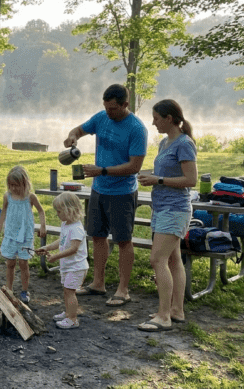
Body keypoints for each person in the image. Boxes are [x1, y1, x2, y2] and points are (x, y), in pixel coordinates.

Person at [64, 84, 147, 307]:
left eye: (113, 109)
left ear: (125, 105)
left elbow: (135, 166)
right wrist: (72, 137)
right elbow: (79, 130)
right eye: (106, 108)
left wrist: (102, 170)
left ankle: (123, 289)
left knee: (123, 240)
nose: (108, 112)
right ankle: (98, 283)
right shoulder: (101, 118)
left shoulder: (136, 128)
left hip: (122, 191)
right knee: (98, 236)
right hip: (99, 189)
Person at [136, 99, 198, 331]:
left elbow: (190, 180)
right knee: (173, 259)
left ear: (169, 118)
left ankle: (163, 317)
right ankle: (176, 310)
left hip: (175, 209)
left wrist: (158, 180)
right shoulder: (165, 143)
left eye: (156, 118)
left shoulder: (184, 143)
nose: (153, 123)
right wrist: (152, 177)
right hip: (162, 207)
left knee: (157, 259)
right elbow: (169, 173)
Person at [0, 166, 47, 304]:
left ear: (24, 183)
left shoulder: (30, 197)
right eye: (11, 185)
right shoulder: (7, 196)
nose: (14, 188)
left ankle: (24, 290)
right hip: (10, 234)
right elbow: (3, 212)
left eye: (16, 185)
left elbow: (41, 211)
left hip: (25, 235)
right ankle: (9, 290)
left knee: (23, 263)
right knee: (10, 263)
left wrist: (43, 226)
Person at [36, 191, 88, 329]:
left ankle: (72, 319)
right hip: (67, 265)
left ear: (69, 210)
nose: (57, 214)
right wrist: (47, 247)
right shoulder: (66, 224)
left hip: (76, 267)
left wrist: (55, 257)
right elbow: (62, 240)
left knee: (70, 292)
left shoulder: (77, 228)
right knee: (66, 290)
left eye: (59, 211)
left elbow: (73, 249)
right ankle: (68, 313)